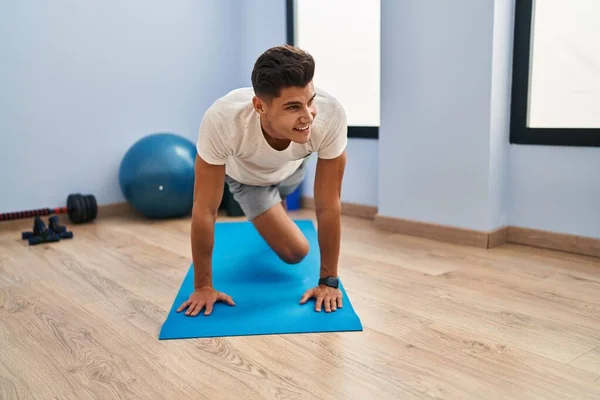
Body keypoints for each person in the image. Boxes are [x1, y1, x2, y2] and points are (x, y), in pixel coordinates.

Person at [176, 44, 347, 317]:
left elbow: (328, 204)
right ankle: (267, 213)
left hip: (293, 169)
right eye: (293, 107)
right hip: (248, 181)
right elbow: (205, 209)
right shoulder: (222, 120)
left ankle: (272, 213)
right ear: (259, 106)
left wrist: (329, 281)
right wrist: (203, 285)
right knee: (295, 252)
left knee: (295, 203)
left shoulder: (329, 115)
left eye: (310, 100)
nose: (308, 115)